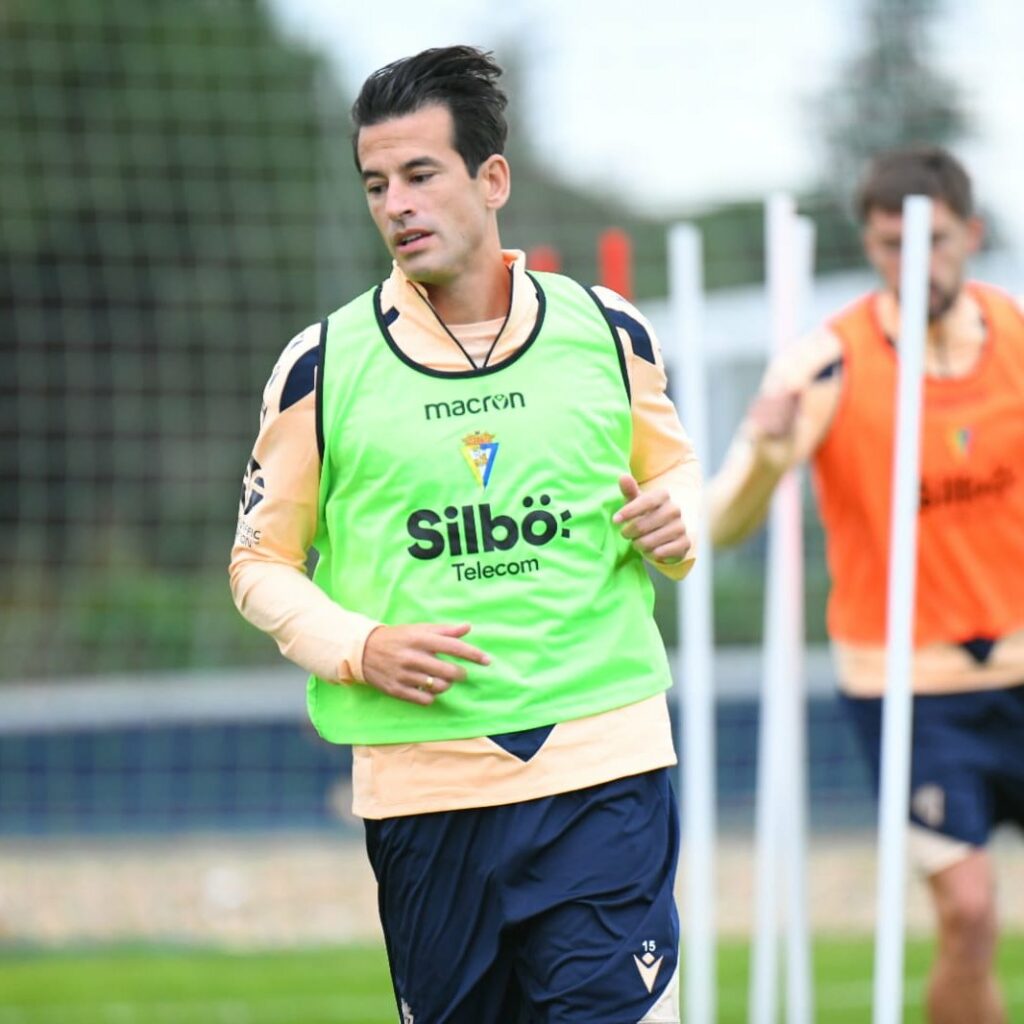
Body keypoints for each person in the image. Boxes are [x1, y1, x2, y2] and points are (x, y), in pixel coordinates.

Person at [230, 45, 701, 1023]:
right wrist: (358, 645)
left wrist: (676, 519)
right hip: (424, 790)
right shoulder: (320, 366)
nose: (396, 203)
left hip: (601, 764)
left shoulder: (606, 329)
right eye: (375, 184)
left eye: (420, 174)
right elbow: (259, 564)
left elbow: (677, 483)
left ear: (491, 180)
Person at [709, 145, 1024, 1024]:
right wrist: (771, 454)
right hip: (908, 685)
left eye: (935, 241)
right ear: (872, 245)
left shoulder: (1018, 340)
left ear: (973, 235)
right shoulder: (825, 364)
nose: (914, 262)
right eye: (891, 245)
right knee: (968, 913)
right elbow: (721, 520)